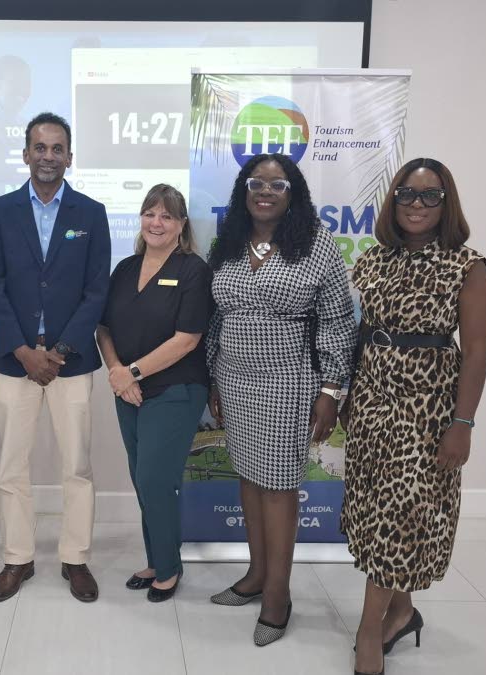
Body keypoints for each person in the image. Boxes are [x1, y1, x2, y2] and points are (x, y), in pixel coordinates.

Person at [341, 158, 486, 675]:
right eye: (408, 194)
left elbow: (475, 352)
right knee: (376, 511)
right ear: (394, 200)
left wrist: (463, 423)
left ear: (446, 204)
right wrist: (344, 396)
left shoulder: (467, 266)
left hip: (427, 409)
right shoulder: (372, 261)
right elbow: (357, 334)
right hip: (372, 402)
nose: (418, 205)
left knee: (401, 514)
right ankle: (401, 610)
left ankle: (368, 633)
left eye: (430, 196)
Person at [205, 153, 356, 646]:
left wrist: (332, 390)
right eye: (255, 184)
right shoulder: (227, 243)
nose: (265, 192)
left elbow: (337, 320)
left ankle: (278, 595)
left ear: (294, 193)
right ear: (243, 192)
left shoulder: (316, 245)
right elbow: (213, 317)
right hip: (234, 379)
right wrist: (212, 378)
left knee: (277, 485)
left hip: (286, 381)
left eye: (277, 184)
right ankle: (255, 574)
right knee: (249, 477)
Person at [0, 111, 111, 603]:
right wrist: (21, 350)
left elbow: (96, 292)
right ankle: (18, 559)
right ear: (26, 153)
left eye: (58, 149)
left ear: (70, 156)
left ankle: (75, 559)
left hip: (70, 363)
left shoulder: (91, 213)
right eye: (40, 147)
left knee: (76, 465)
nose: (49, 156)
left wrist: (56, 352)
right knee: (13, 466)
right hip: (13, 362)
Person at [96, 184, 211, 603]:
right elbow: (103, 327)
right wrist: (116, 371)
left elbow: (187, 339)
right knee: (144, 481)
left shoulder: (193, 269)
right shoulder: (125, 269)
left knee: (155, 479)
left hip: (176, 389)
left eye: (166, 216)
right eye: (150, 214)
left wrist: (133, 372)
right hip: (127, 389)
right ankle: (158, 558)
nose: (156, 223)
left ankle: (169, 567)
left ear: (181, 225)